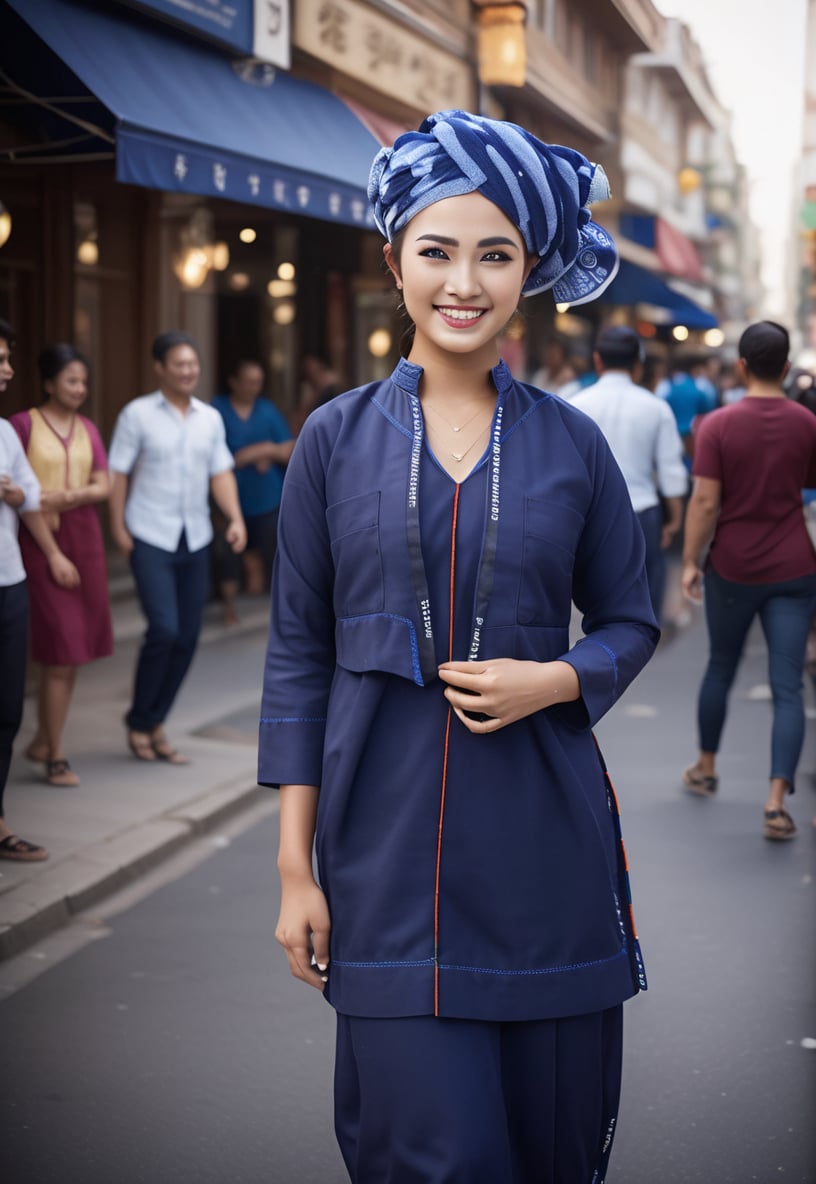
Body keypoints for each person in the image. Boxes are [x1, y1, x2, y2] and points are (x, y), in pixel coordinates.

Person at [260, 110, 659, 1183]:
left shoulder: (574, 442)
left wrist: (561, 677)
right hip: (378, 866)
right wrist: (297, 866)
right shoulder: (331, 441)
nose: (464, 281)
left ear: (529, 270)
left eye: (496, 253)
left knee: (550, 1151)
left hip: (547, 860)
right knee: (429, 1157)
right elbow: (297, 653)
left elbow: (633, 615)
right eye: (438, 249)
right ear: (394, 260)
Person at [681, 321, 816, 841]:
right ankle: (777, 802)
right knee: (788, 685)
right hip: (795, 566)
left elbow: (706, 501)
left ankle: (706, 766)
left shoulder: (716, 425)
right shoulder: (807, 423)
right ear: (785, 367)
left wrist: (692, 560)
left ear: (741, 365)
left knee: (720, 667)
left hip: (733, 566)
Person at [109, 331, 246, 765]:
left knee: (187, 638)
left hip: (196, 535)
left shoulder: (209, 418)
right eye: (179, 364)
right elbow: (118, 473)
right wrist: (118, 528)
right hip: (150, 533)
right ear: (160, 368)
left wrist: (236, 518)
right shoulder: (137, 415)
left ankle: (154, 723)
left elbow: (221, 473)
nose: (188, 371)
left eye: (193, 364)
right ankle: (139, 721)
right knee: (164, 630)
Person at [10, 345, 113, 787]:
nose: (79, 389)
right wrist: (51, 547)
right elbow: (14, 487)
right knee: (60, 650)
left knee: (71, 657)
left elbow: (104, 483)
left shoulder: (87, 427)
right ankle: (54, 753)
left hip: (85, 540)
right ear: (49, 382)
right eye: (71, 380)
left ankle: (44, 739)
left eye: (83, 381)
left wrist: (65, 497)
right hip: (40, 541)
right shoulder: (21, 425)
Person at [0, 320, 79, 861]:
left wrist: (51, 554)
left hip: (9, 580)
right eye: (1, 358)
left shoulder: (5, 433)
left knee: (7, 709)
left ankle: (0, 820)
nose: (8, 369)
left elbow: (29, 496)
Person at [571, 325, 687, 623]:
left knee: (594, 587)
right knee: (646, 591)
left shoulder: (575, 405)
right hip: (643, 511)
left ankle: (600, 645)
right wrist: (674, 518)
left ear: (597, 360)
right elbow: (671, 470)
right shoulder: (656, 407)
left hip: (589, 514)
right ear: (637, 365)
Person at [212, 360, 295, 626]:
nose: (253, 387)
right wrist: (244, 457)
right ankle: (229, 608)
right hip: (231, 498)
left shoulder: (267, 411)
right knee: (229, 555)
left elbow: (289, 448)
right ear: (234, 382)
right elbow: (214, 455)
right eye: (248, 381)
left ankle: (282, 611)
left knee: (278, 552)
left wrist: (262, 451)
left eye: (258, 382)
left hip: (268, 497)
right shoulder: (217, 410)